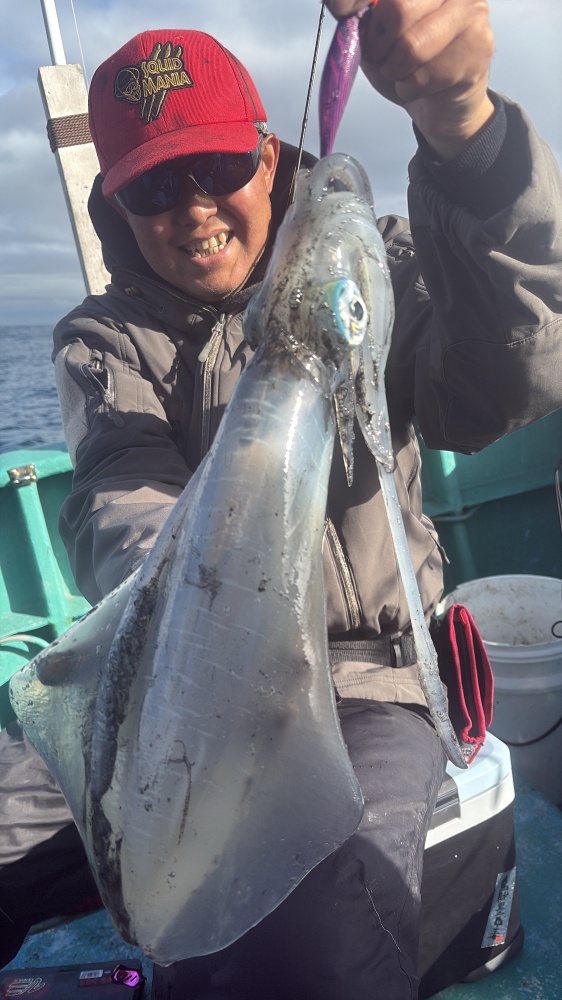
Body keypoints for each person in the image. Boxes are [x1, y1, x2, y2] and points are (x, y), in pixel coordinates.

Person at [1, 1, 561, 996]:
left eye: (216, 166)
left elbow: (506, 379)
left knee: (305, 938)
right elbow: (120, 499)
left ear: (268, 157)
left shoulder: (378, 268)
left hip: (365, 676)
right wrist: (193, 640)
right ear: (117, 205)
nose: (193, 209)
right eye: (154, 186)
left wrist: (465, 137)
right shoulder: (104, 339)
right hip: (169, 667)